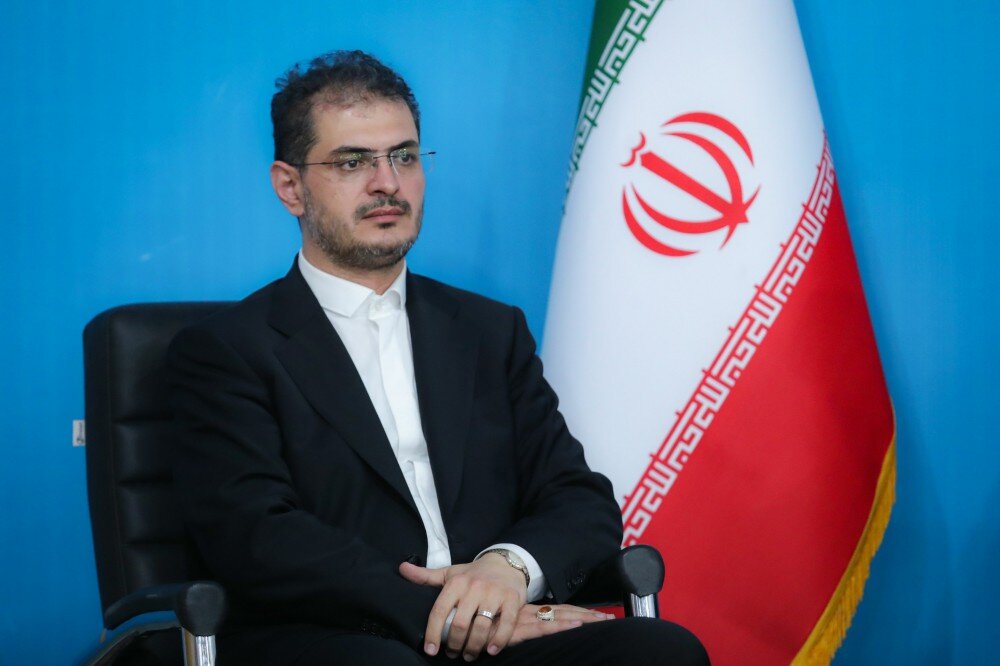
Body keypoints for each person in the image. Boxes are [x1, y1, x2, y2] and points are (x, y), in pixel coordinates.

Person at [168, 50, 708, 665]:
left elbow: (578, 498)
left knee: (660, 651)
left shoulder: (489, 331)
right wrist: (445, 611)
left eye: (403, 156)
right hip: (340, 637)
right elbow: (257, 537)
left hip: (500, 628)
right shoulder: (226, 350)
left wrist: (507, 570)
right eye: (352, 162)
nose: (387, 183)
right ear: (290, 187)